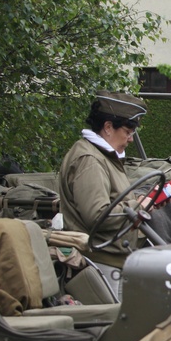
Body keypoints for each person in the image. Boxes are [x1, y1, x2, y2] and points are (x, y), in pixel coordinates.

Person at [59, 91, 148, 265]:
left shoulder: (103, 156)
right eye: (128, 132)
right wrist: (139, 206)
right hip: (103, 259)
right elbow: (98, 216)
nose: (130, 139)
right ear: (108, 127)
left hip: (118, 251)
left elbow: (115, 198)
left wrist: (140, 201)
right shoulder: (89, 160)